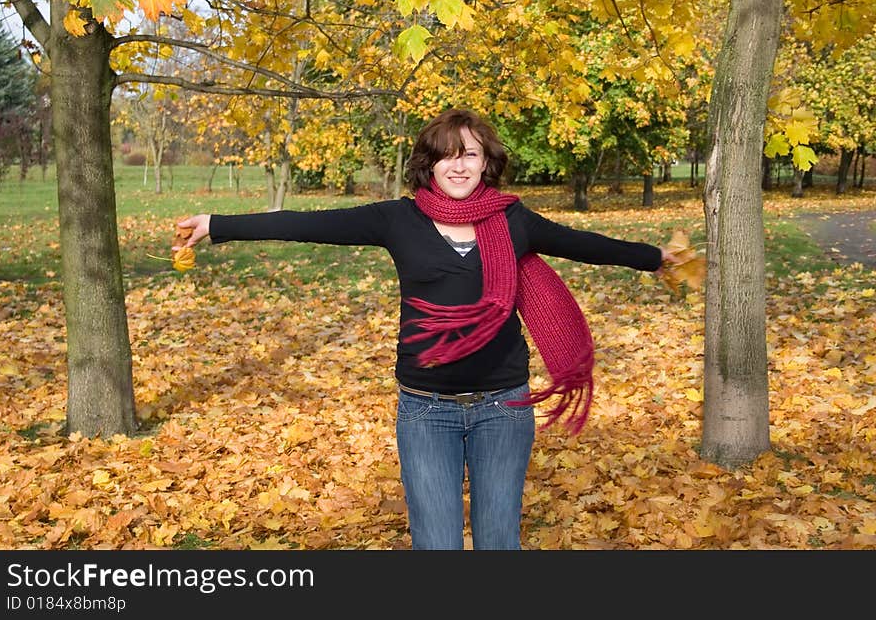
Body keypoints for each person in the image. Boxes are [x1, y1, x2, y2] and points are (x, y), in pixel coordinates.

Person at [174, 108, 677, 550]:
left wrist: (656, 258)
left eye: (471, 155)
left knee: (499, 541)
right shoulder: (399, 219)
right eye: (448, 155)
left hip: (503, 406)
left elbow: (585, 243)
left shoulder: (513, 220)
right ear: (429, 163)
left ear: (487, 163)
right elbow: (309, 223)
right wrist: (218, 224)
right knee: (436, 546)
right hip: (425, 408)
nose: (459, 166)